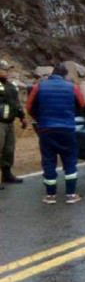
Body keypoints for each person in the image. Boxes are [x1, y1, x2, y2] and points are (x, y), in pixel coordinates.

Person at [26, 64, 85, 204]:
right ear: (65, 75)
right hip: (67, 129)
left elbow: (29, 107)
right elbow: (82, 105)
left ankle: (50, 196)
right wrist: (71, 115)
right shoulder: (72, 87)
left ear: (52, 73)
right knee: (70, 161)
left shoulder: (38, 87)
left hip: (46, 130)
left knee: (48, 161)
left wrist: (40, 119)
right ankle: (71, 195)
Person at [0, 61, 28, 189]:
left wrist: (22, 117)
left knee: (9, 149)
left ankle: (6, 174)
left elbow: (16, 104)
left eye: (8, 70)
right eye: (5, 69)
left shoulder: (11, 86)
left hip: (9, 123)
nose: (8, 72)